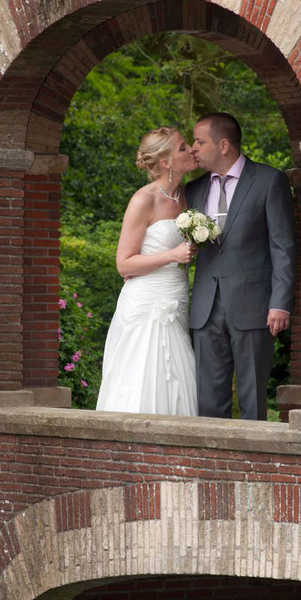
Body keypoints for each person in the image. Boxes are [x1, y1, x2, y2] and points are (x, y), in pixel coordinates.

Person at [186, 113, 296, 420]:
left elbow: (283, 246)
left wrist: (280, 303)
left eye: (199, 141)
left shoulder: (268, 181)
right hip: (206, 307)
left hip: (255, 306)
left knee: (252, 396)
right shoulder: (193, 189)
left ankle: (255, 466)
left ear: (223, 145)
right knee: (207, 398)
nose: (194, 148)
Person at [96, 127, 198, 416]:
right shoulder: (144, 199)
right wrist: (173, 255)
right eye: (182, 147)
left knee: (178, 378)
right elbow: (124, 263)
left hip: (176, 298)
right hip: (147, 303)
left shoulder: (188, 196)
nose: (190, 149)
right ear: (165, 162)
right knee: (144, 376)